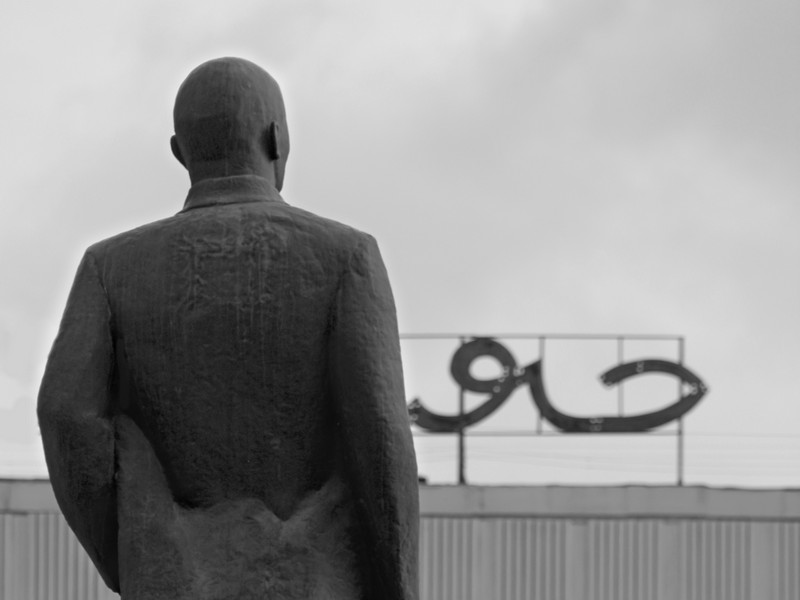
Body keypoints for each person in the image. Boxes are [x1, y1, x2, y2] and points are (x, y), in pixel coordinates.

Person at [37, 57, 419, 600]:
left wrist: (131, 553)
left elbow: (65, 415)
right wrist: (401, 586)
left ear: (180, 151)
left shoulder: (110, 267)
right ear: (277, 139)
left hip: (169, 579)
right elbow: (379, 435)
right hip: (317, 581)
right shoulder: (347, 255)